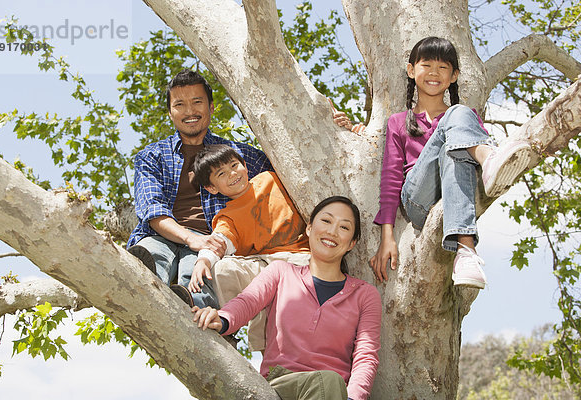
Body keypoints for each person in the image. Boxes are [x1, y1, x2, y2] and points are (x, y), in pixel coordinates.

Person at [335, 37, 532, 289]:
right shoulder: (398, 121)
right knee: (457, 115)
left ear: (454, 75)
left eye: (443, 68)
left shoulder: (464, 119)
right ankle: (488, 157)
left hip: (456, 188)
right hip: (417, 198)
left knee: (457, 138)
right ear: (411, 70)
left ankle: (466, 253)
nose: (434, 73)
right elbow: (391, 177)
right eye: (426, 65)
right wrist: (387, 236)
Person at [193, 196, 382, 400]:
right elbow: (248, 301)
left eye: (344, 227)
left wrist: (354, 398)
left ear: (352, 243)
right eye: (326, 221)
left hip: (333, 392)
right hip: (279, 386)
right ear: (309, 228)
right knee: (328, 380)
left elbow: (366, 356)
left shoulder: (365, 295)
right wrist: (221, 319)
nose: (332, 231)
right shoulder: (281, 272)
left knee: (330, 382)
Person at [127, 69, 272, 308]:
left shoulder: (237, 154)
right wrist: (190, 238)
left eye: (197, 102)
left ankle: (198, 313)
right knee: (151, 256)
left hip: (211, 240)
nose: (190, 111)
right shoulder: (151, 156)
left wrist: (338, 124)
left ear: (211, 107)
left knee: (194, 279)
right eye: (180, 104)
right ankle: (139, 289)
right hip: (160, 235)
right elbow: (152, 209)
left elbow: (288, 170)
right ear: (171, 112)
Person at [188, 143, 310, 350]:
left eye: (234, 165)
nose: (232, 174)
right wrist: (203, 260)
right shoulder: (226, 217)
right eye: (221, 173)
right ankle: (262, 348)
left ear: (245, 165)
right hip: (264, 266)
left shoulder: (270, 178)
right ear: (212, 188)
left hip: (300, 257)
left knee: (282, 296)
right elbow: (220, 241)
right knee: (224, 269)